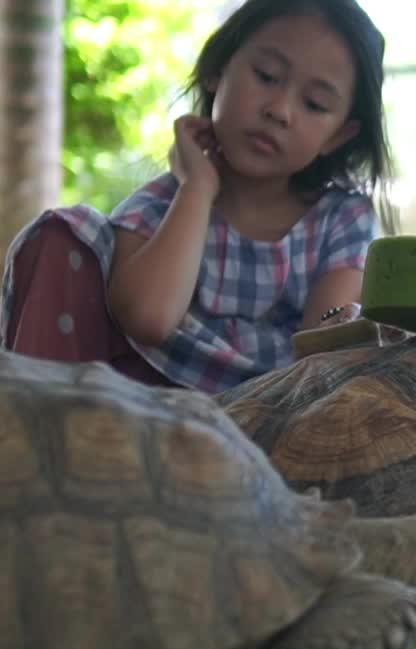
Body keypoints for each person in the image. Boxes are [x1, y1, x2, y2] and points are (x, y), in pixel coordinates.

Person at [1, 0, 392, 394]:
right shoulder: (163, 205)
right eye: (267, 76)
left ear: (339, 136)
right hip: (138, 412)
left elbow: (320, 350)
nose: (280, 110)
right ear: (215, 70)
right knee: (61, 233)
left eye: (314, 104)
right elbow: (149, 319)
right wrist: (197, 189)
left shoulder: (343, 218)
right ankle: (39, 432)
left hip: (275, 416)